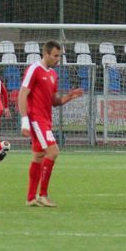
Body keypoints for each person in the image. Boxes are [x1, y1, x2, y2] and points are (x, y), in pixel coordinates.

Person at [19, 41, 84, 207]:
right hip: (36, 119)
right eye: (55, 56)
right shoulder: (34, 69)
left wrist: (69, 97)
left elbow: (54, 101)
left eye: (59, 56)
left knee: (38, 156)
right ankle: (43, 195)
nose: (57, 59)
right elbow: (22, 94)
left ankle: (31, 198)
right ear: (46, 54)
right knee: (53, 151)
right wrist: (24, 121)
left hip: (46, 119)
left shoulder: (53, 74)